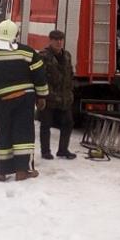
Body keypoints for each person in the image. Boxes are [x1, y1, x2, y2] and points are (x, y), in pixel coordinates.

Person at [0, 19, 49, 181]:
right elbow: (39, 74)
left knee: (3, 132)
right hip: (25, 97)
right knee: (23, 132)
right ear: (16, 35)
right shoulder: (27, 52)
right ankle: (22, 171)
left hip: (2, 98)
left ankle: (1, 171)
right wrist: (42, 96)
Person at [39, 30, 77, 160]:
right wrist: (41, 96)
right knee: (46, 124)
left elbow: (70, 75)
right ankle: (45, 151)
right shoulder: (44, 56)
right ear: (50, 40)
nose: (59, 42)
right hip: (49, 97)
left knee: (68, 123)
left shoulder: (67, 55)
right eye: (56, 40)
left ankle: (63, 150)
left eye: (61, 39)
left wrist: (70, 91)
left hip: (64, 97)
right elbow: (40, 78)